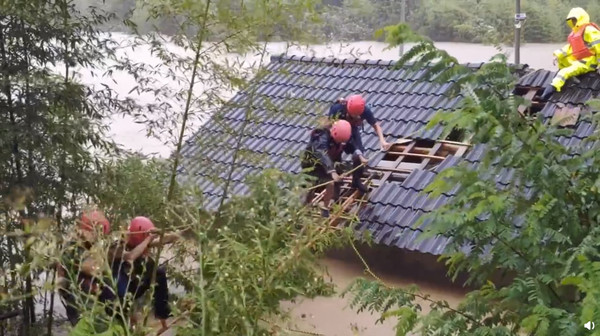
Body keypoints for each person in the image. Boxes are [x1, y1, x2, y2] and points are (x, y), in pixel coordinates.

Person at [109, 216, 180, 334]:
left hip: (134, 286)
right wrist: (148, 239)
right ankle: (130, 326)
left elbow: (167, 239)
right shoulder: (116, 247)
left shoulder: (140, 242)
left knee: (158, 272)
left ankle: (163, 319)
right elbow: (131, 256)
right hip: (120, 293)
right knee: (127, 324)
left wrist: (163, 233)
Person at [57, 210, 118, 327]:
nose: (99, 237)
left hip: (83, 295)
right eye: (98, 232)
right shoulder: (75, 245)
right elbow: (91, 268)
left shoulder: (83, 243)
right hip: (78, 299)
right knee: (89, 327)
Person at [302, 119, 363, 218]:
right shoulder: (322, 135)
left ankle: (327, 205)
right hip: (313, 164)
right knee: (311, 185)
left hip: (331, 161)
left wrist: (359, 155)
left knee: (336, 181)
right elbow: (321, 153)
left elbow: (351, 145)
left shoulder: (343, 135)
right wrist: (332, 171)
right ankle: (305, 207)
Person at [541, 7, 600, 101]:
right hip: (579, 59)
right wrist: (557, 55)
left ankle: (551, 89)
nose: (572, 22)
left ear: (580, 18)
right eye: (571, 20)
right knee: (562, 60)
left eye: (574, 19)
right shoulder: (576, 32)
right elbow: (570, 48)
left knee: (565, 72)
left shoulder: (589, 30)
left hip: (588, 62)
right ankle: (567, 78)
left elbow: (598, 46)